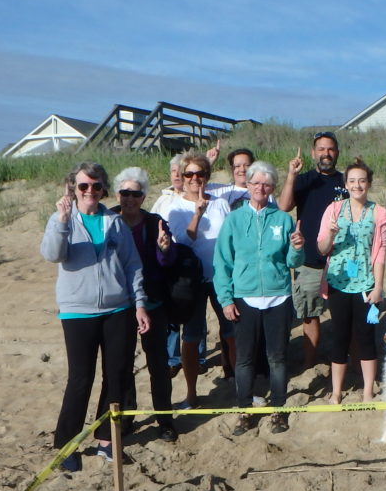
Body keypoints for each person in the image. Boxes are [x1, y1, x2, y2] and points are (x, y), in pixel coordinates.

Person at [40, 161, 150, 472]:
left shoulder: (114, 222)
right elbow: (52, 254)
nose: (90, 191)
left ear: (103, 189)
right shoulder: (61, 219)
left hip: (118, 309)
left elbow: (132, 266)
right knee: (80, 378)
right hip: (78, 312)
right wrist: (62, 220)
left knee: (117, 375)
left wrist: (139, 304)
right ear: (72, 189)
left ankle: (107, 440)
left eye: (96, 186)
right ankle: (67, 444)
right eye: (83, 186)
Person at [214, 161, 305, 435]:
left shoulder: (283, 219)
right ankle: (245, 410)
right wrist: (226, 299)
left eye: (266, 184)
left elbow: (291, 261)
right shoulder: (234, 220)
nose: (260, 188)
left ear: (272, 188)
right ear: (248, 185)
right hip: (245, 298)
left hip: (278, 297)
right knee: (244, 359)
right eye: (256, 183)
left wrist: (298, 248)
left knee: (277, 357)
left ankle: (278, 408)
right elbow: (222, 263)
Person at [154, 152, 235, 408]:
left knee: (232, 332)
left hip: (222, 277)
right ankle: (191, 394)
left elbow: (229, 241)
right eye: (189, 174)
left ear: (207, 177)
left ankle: (235, 385)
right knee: (191, 336)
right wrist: (197, 214)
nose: (194, 179)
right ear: (182, 176)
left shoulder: (221, 203)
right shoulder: (175, 206)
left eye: (200, 174)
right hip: (190, 280)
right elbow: (182, 241)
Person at [111, 167, 178, 442]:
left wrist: (164, 249)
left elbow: (167, 263)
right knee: (122, 365)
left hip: (153, 303)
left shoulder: (155, 222)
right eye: (125, 193)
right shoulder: (108, 220)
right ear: (118, 194)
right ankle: (127, 420)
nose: (129, 199)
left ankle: (165, 420)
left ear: (143, 196)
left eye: (135, 194)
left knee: (158, 365)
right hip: (118, 305)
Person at [316, 158, 386, 403]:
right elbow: (322, 248)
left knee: (366, 336)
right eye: (352, 181)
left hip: (366, 285)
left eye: (362, 180)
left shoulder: (378, 212)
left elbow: (380, 253)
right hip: (338, 284)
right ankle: (336, 392)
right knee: (340, 336)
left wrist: (378, 287)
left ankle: (368, 391)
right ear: (345, 183)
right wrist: (332, 235)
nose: (357, 185)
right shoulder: (334, 210)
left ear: (369, 183)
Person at [278, 131, 348, 369]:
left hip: (343, 259)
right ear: (313, 153)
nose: (326, 153)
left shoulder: (346, 181)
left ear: (337, 153)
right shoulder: (304, 180)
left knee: (344, 313)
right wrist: (291, 175)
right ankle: (311, 363)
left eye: (330, 149)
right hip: (309, 259)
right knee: (310, 313)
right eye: (321, 149)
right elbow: (284, 206)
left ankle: (344, 360)